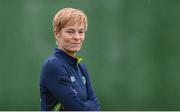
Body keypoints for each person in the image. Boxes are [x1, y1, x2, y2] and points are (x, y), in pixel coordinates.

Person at [40, 8, 100, 111]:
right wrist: (88, 106)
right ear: (57, 34)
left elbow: (96, 106)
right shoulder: (53, 66)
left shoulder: (81, 67)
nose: (77, 37)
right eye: (70, 32)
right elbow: (76, 109)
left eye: (81, 32)